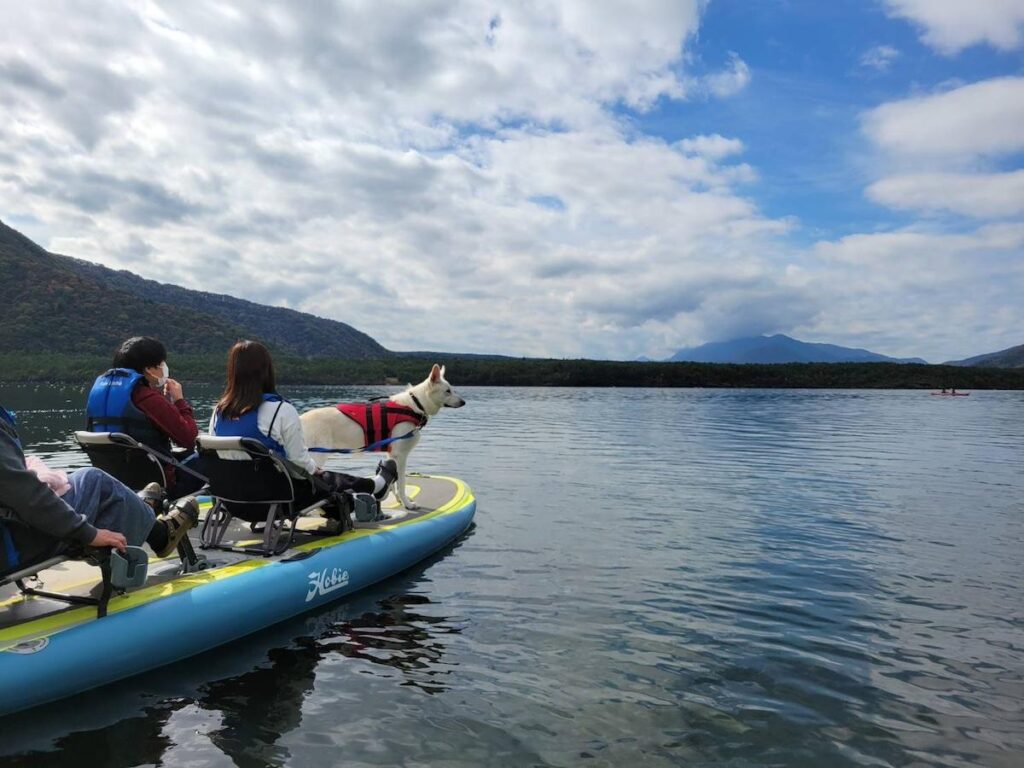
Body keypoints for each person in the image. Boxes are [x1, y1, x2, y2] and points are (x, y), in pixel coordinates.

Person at [209, 341, 397, 524]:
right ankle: (375, 486)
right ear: (267, 370)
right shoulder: (280, 410)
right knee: (323, 479)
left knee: (319, 477)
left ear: (233, 371)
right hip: (276, 502)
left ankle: (375, 485)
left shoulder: (218, 413)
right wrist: (316, 470)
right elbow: (299, 464)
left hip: (233, 503)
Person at [1, 404, 198, 575]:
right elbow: (28, 497)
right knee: (94, 480)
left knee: (83, 480)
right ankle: (161, 535)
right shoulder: (149, 397)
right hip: (12, 548)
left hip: (10, 534)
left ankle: (138, 509)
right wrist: (89, 534)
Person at [86, 336, 205, 499]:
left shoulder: (99, 394)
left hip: (115, 485)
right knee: (210, 457)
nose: (164, 368)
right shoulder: (147, 398)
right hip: (158, 487)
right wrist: (179, 401)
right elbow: (189, 439)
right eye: (162, 363)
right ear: (149, 368)